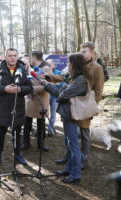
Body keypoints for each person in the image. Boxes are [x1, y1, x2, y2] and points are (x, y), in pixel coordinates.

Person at [42, 52, 90, 184]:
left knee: (74, 145)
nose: (67, 64)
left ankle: (75, 174)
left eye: (69, 62)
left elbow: (62, 95)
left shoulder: (80, 79)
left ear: (74, 64)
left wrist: (56, 90)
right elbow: (60, 92)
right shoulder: (72, 77)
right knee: (69, 144)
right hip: (67, 114)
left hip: (72, 116)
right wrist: (46, 83)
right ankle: (68, 169)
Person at [0, 48, 32, 166]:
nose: (12, 58)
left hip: (18, 107)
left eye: (15, 55)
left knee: (17, 134)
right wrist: (4, 89)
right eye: (10, 55)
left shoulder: (23, 70)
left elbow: (30, 88)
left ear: (17, 57)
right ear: (5, 57)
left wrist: (20, 89)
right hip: (2, 107)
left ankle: (18, 155)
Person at [78, 42, 105, 169]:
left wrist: (91, 107)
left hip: (86, 106)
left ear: (92, 53)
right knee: (72, 132)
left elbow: (99, 91)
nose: (82, 53)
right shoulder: (79, 65)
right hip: (75, 104)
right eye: (81, 51)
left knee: (84, 133)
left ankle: (84, 159)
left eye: (84, 51)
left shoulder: (97, 68)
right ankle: (71, 156)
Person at [22, 51, 52, 152]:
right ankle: (26, 142)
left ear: (34, 57)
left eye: (31, 57)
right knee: (27, 122)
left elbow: (46, 85)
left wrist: (32, 89)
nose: (30, 59)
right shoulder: (30, 68)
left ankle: (41, 143)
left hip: (41, 100)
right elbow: (28, 80)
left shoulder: (46, 68)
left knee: (41, 123)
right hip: (30, 99)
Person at [46, 59, 62, 136]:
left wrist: (54, 84)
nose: (49, 66)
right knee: (44, 113)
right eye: (47, 64)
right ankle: (41, 130)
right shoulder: (44, 72)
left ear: (54, 65)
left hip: (54, 97)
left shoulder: (58, 72)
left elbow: (61, 84)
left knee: (53, 114)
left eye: (50, 64)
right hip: (45, 96)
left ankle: (50, 129)